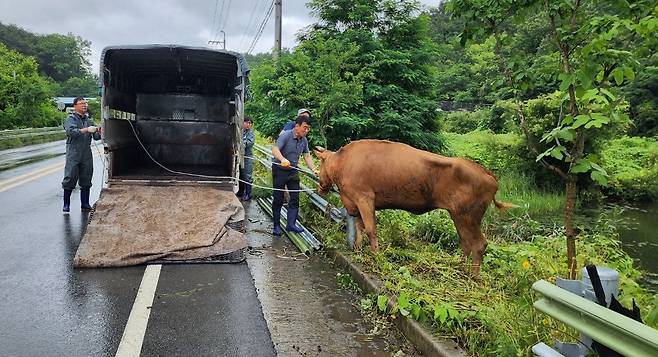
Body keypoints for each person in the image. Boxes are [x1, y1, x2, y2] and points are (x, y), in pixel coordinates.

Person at [271, 115, 319, 235]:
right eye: (305, 128)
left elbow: (307, 156)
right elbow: (275, 149)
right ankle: (276, 226)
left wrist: (314, 169)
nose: (306, 131)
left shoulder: (304, 141)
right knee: (278, 199)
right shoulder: (286, 135)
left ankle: (291, 224)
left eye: (308, 129)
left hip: (293, 171)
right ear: (297, 126)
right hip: (279, 169)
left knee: (295, 199)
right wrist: (282, 159)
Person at [61, 97, 102, 213]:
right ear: (75, 106)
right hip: (73, 152)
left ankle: (85, 203)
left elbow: (96, 137)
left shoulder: (89, 120)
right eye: (81, 103)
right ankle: (66, 204)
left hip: (86, 153)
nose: (84, 105)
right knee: (70, 177)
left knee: (86, 177)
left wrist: (100, 131)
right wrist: (86, 130)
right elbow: (71, 132)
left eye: (85, 103)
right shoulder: (71, 119)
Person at [238, 116, 255, 201]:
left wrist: (242, 144)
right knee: (241, 175)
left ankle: (248, 194)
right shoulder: (241, 131)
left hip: (247, 157)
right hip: (240, 156)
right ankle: (241, 192)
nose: (248, 124)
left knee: (247, 176)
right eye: (246, 122)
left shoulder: (250, 133)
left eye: (250, 123)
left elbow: (249, 143)